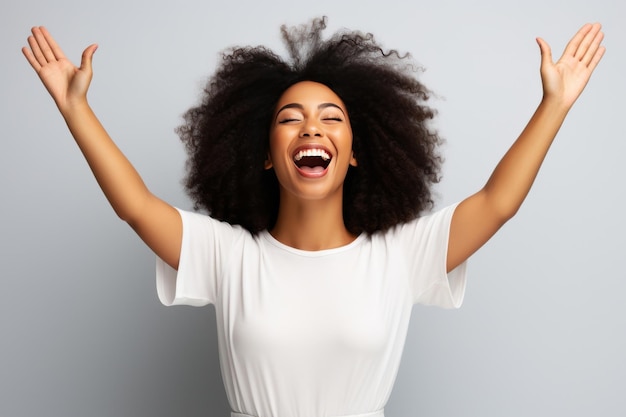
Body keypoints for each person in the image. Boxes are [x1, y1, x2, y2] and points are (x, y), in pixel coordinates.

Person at [22, 17, 605, 417]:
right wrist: (75, 109)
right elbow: (135, 206)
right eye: (289, 118)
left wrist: (554, 105)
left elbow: (498, 202)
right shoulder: (230, 256)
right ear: (265, 157)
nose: (311, 129)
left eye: (331, 118)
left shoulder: (399, 254)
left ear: (354, 153)